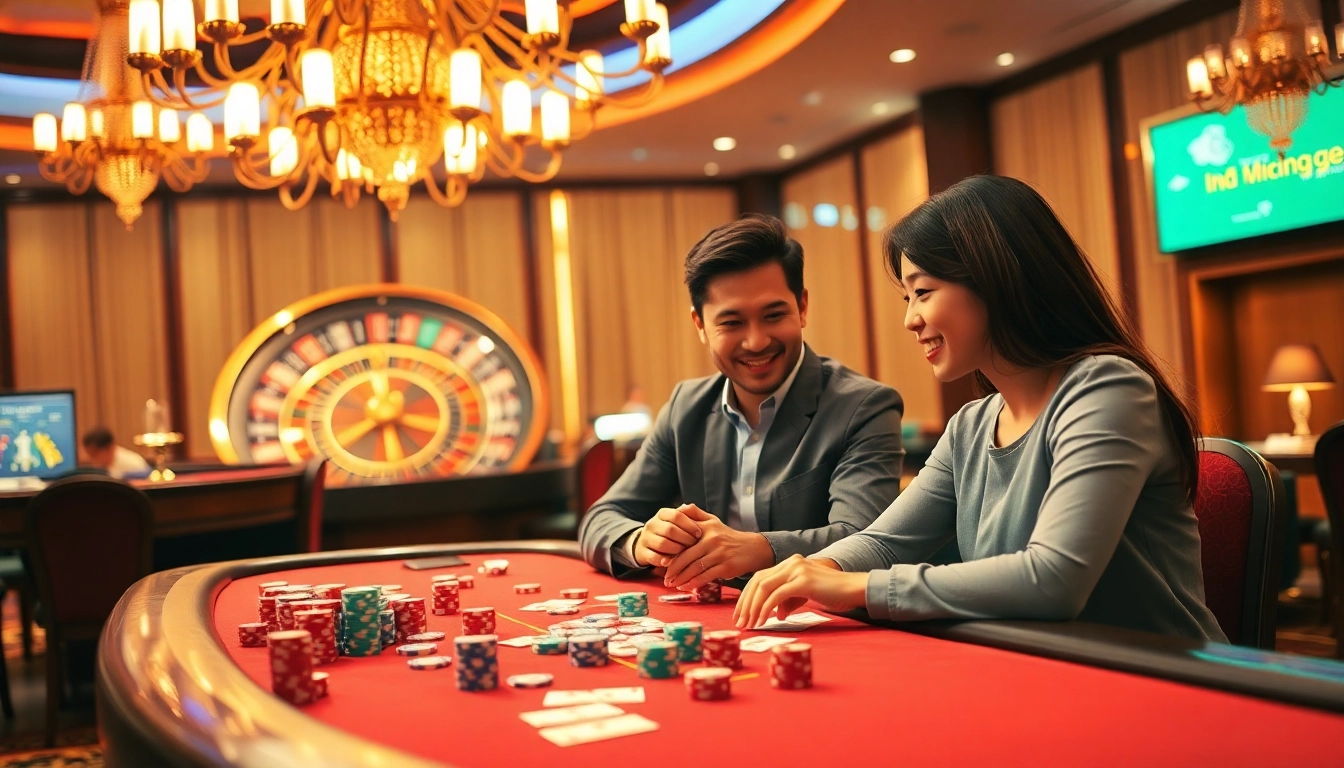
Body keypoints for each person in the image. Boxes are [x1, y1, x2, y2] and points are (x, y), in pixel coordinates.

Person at [731, 175, 1226, 642]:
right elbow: (884, 542)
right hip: (1044, 674)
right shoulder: (971, 426)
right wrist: (816, 570)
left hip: (1163, 682)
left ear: (996, 279)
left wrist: (857, 588)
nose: (909, 319)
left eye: (922, 292)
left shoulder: (1108, 388)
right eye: (907, 297)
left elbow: (1054, 579)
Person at [578, 214, 905, 586]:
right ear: (699, 325)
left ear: (802, 307)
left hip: (823, 622)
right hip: (716, 620)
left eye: (773, 315)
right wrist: (642, 542)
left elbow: (866, 540)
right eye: (731, 323)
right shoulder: (686, 407)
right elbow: (601, 518)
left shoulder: (864, 407)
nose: (756, 341)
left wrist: (758, 549)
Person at [82, 426, 150, 479]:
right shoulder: (106, 467)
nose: (91, 459)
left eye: (94, 454)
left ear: (110, 448)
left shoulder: (133, 465)